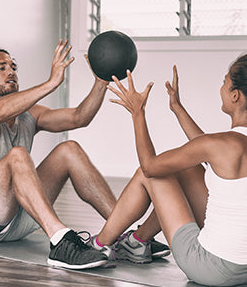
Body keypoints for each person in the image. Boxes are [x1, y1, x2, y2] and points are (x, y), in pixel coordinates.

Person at [0, 40, 118, 270]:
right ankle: (61, 242)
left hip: (19, 218)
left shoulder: (29, 115)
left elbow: (79, 118)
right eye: (1, 67)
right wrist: (51, 83)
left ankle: (123, 232)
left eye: (13, 66)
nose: (11, 71)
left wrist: (101, 82)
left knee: (69, 150)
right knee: (17, 155)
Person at [89, 55, 247, 286]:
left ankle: (98, 246)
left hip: (210, 268)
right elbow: (205, 150)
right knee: (187, 169)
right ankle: (137, 242)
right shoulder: (223, 145)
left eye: (225, 81)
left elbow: (150, 166)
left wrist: (137, 112)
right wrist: (177, 108)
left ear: (235, 95)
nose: (221, 87)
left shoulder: (220, 144)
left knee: (150, 173)